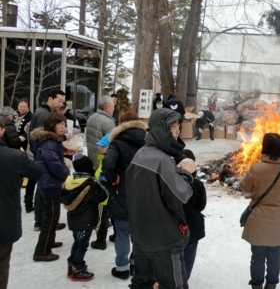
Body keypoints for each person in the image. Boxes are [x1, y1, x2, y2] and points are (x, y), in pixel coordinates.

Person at [126, 108, 195, 289]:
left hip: (141, 236)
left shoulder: (141, 153)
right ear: (161, 129)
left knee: (142, 283)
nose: (178, 130)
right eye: (173, 126)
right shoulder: (162, 160)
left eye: (178, 125)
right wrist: (186, 174)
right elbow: (180, 197)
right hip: (164, 241)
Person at [240, 133, 280, 289]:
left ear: (265, 148)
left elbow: (244, 187)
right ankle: (271, 285)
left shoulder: (257, 168)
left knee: (257, 256)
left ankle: (257, 286)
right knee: (275, 255)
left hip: (259, 217)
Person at [0, 116, 44, 289]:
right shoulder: (14, 157)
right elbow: (37, 171)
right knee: (2, 268)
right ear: (2, 131)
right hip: (4, 223)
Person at [102, 112, 147, 279]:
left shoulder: (117, 142)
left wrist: (109, 179)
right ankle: (137, 264)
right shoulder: (147, 141)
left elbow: (108, 162)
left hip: (122, 191)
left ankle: (122, 268)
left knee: (122, 231)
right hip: (143, 191)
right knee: (139, 232)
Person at [60, 154, 108, 282]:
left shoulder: (70, 180)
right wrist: (103, 184)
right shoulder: (90, 184)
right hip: (85, 221)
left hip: (74, 221)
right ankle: (78, 268)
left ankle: (72, 264)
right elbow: (102, 196)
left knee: (77, 242)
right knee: (82, 245)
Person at [31, 112, 71, 262]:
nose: (63, 127)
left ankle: (50, 241)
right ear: (51, 125)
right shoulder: (48, 143)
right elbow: (55, 166)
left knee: (53, 217)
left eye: (64, 124)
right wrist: (66, 173)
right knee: (50, 218)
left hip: (50, 182)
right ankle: (41, 251)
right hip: (49, 184)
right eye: (60, 124)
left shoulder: (52, 141)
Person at [28, 89, 70, 230]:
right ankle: (42, 222)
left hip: (43, 156)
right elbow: (44, 137)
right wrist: (63, 138)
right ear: (50, 99)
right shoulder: (44, 114)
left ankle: (47, 221)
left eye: (62, 101)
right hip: (43, 159)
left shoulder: (45, 112)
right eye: (59, 100)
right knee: (43, 188)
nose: (60, 104)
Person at [180, 149, 207, 280]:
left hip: (173, 228)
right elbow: (201, 206)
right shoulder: (197, 185)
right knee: (187, 261)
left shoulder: (170, 183)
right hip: (191, 229)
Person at [86, 96, 116, 169]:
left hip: (91, 157)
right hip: (102, 160)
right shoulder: (109, 122)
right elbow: (111, 145)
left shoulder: (91, 117)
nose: (114, 109)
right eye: (113, 106)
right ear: (108, 108)